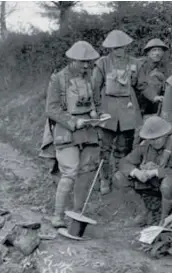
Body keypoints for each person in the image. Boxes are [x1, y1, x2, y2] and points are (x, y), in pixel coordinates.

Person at [45, 41, 103, 228]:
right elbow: (51, 109)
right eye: (81, 62)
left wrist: (98, 115)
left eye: (89, 62)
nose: (86, 66)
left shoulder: (91, 77)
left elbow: (95, 101)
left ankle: (77, 214)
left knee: (86, 172)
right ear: (71, 60)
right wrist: (72, 122)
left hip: (88, 130)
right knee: (69, 172)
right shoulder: (58, 79)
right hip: (66, 130)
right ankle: (58, 216)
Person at [92, 30, 144, 195]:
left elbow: (142, 85)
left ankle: (120, 177)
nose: (119, 51)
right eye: (115, 48)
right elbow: (95, 87)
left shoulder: (135, 63)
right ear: (110, 49)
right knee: (104, 148)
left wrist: (155, 96)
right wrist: (97, 109)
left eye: (121, 47)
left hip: (127, 112)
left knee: (124, 148)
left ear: (126, 47)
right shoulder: (102, 63)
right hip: (107, 111)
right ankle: (104, 179)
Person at [112, 116, 172, 226]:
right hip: (150, 183)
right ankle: (142, 214)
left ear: (165, 135)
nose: (154, 142)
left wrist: (156, 172)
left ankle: (165, 220)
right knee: (119, 177)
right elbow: (123, 162)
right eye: (151, 139)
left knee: (168, 184)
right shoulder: (145, 145)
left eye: (157, 138)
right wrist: (136, 172)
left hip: (169, 187)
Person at [136, 38, 169, 116]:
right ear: (148, 52)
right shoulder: (140, 64)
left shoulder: (163, 67)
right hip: (137, 103)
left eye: (159, 50)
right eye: (154, 50)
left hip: (153, 105)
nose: (157, 53)